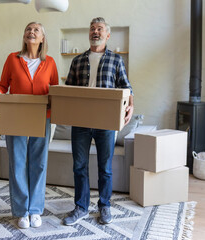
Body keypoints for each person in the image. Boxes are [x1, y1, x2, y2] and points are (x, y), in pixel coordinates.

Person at [63, 17, 134, 225]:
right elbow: (68, 90)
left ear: (107, 35)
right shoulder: (77, 61)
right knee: (79, 166)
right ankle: (81, 207)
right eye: (92, 28)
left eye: (100, 29)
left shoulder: (116, 60)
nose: (96, 31)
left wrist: (131, 106)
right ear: (89, 33)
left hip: (106, 123)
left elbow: (126, 87)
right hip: (81, 122)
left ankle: (104, 206)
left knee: (105, 167)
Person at [0, 22, 58, 229]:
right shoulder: (13, 59)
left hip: (42, 115)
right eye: (28, 29)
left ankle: (35, 210)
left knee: (38, 163)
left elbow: (55, 91)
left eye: (36, 30)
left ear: (42, 39)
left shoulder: (50, 62)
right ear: (24, 36)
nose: (31, 32)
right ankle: (22, 211)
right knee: (18, 162)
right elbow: (2, 85)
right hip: (16, 115)